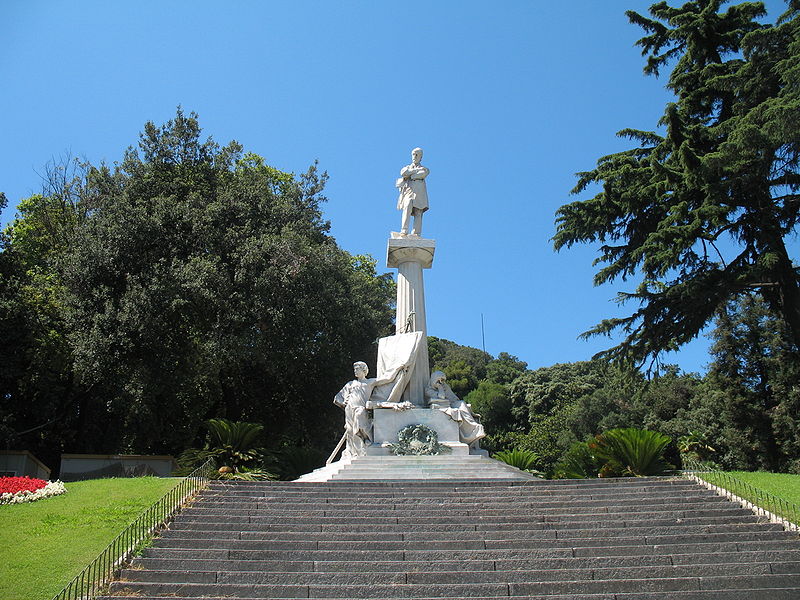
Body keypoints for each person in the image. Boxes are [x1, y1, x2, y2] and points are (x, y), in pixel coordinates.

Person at [334, 361, 412, 457]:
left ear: (364, 370)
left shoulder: (369, 382)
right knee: (350, 431)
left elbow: (387, 379)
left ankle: (367, 441)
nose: (355, 371)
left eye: (357, 369)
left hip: (360, 408)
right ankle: (355, 452)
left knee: (359, 423)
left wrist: (397, 368)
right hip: (349, 409)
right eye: (354, 369)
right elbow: (338, 398)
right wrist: (344, 402)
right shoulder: (350, 384)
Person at [424, 370, 486, 446]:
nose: (441, 382)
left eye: (442, 380)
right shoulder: (428, 390)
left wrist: (443, 388)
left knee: (462, 403)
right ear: (434, 379)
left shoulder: (445, 386)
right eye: (439, 380)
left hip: (451, 403)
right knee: (457, 410)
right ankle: (472, 430)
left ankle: (474, 427)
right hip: (442, 405)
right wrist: (440, 387)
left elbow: (453, 398)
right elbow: (441, 397)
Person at [396, 147, 429, 236]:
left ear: (421, 157)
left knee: (418, 211)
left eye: (417, 154)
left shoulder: (424, 169)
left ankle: (416, 233)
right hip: (409, 191)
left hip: (419, 193)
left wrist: (411, 174)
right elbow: (403, 173)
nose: (415, 156)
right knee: (407, 207)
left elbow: (422, 174)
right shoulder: (407, 167)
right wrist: (414, 171)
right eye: (413, 154)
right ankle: (404, 230)